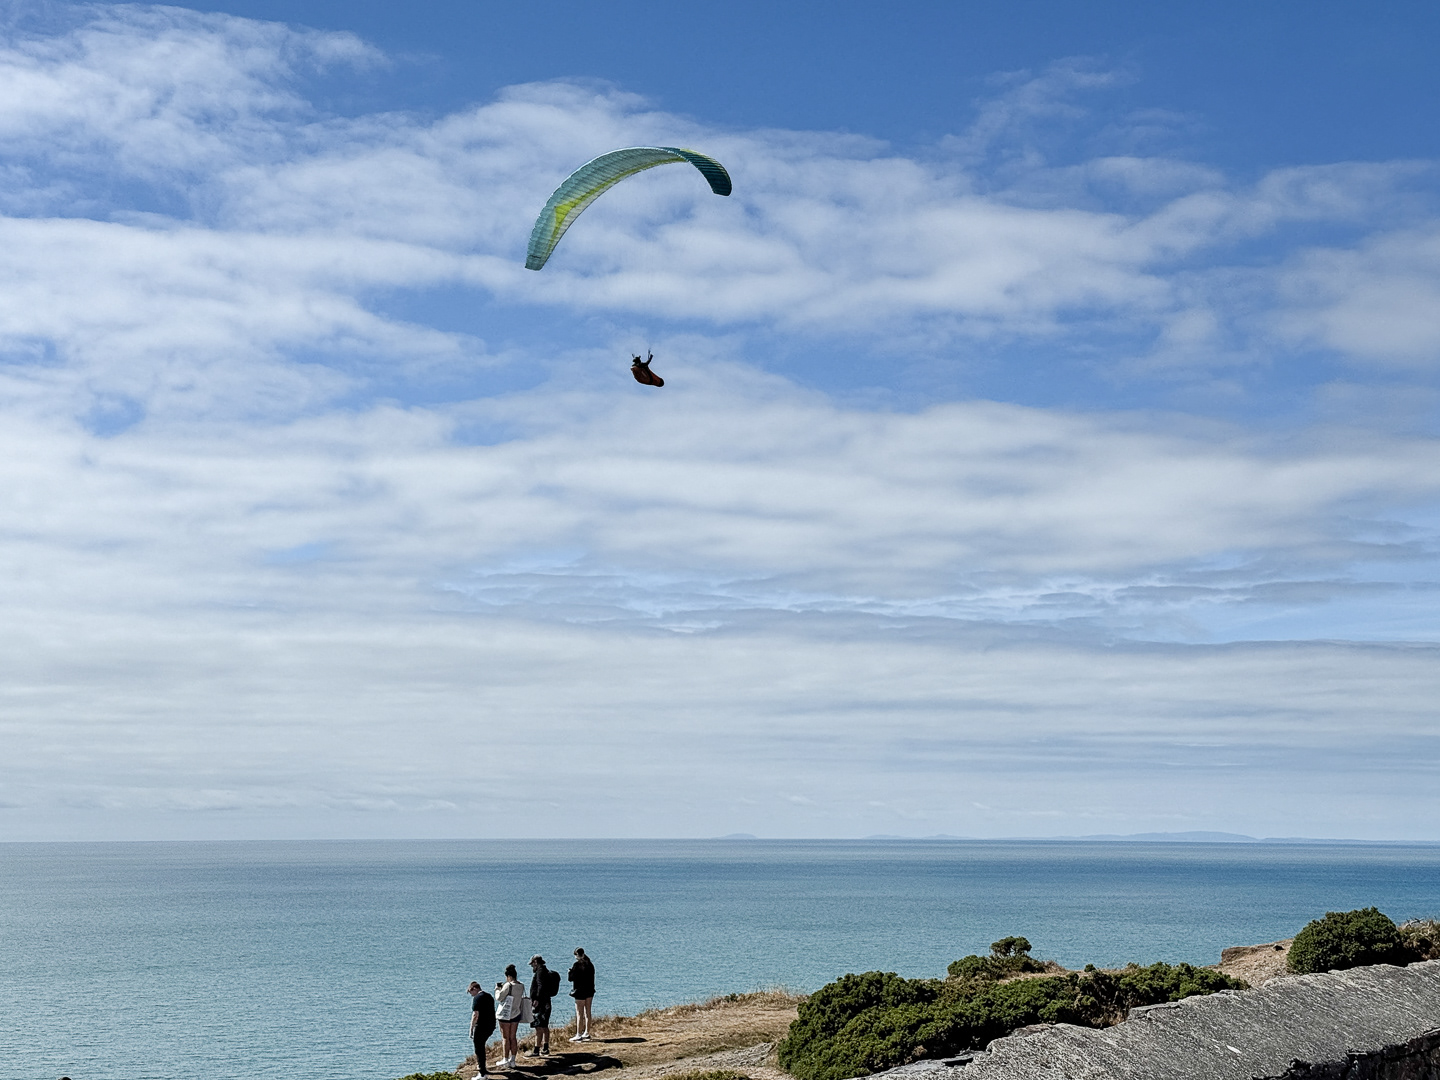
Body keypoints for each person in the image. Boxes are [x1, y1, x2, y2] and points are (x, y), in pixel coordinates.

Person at [494, 964, 526, 1066]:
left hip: (505, 1014)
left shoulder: (508, 985)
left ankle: (505, 1059)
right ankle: (513, 1060)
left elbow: (499, 998)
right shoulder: (521, 985)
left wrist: (497, 989)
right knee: (513, 1037)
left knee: (505, 1038)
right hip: (516, 1013)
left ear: (508, 976)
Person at [527, 954, 555, 1056]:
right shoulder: (545, 971)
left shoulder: (540, 972)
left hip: (541, 1003)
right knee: (544, 1026)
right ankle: (545, 1048)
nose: (532, 967)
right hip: (546, 1002)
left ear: (535, 963)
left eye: (532, 964)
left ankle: (536, 1049)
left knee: (538, 1027)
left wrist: (537, 999)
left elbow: (540, 986)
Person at [567, 947, 596, 1042]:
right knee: (588, 1012)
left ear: (577, 955)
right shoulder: (590, 965)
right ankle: (587, 1032)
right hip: (590, 990)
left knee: (579, 1013)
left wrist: (570, 972)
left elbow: (571, 978)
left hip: (580, 991)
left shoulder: (577, 965)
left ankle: (578, 1034)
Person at [469, 980, 496, 1076]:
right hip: (490, 1025)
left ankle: (482, 1070)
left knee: (478, 1047)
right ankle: (482, 1066)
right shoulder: (489, 996)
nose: (471, 994)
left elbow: (475, 1015)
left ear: (475, 989)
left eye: (470, 991)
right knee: (482, 1045)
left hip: (481, 1025)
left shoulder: (477, 998)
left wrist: (471, 1028)